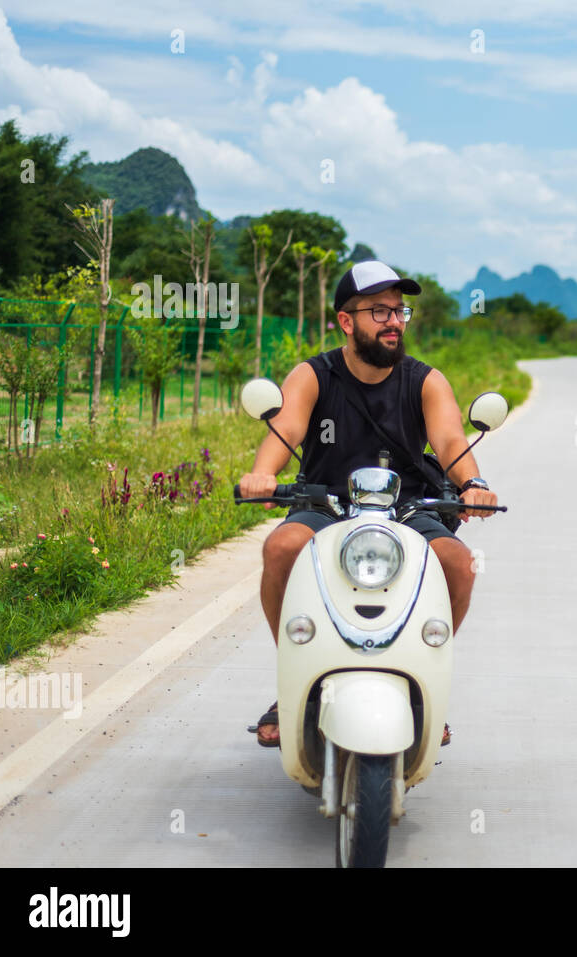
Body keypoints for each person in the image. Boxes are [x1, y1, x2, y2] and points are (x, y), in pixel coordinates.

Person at [237, 260, 498, 748]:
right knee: (281, 547)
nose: (394, 321)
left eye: (399, 311)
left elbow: (449, 441)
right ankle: (293, 680)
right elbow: (287, 427)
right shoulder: (315, 375)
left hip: (409, 507)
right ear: (345, 320)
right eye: (379, 311)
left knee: (459, 564)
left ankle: (422, 687)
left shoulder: (425, 380)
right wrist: (263, 474)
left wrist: (472, 485)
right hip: (327, 501)